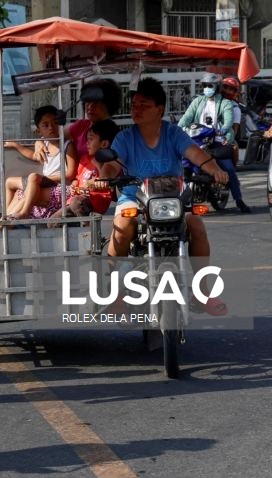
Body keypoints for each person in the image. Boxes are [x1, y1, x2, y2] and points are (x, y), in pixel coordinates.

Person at [101, 77, 229, 316]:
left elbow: (195, 154)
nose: (136, 109)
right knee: (122, 224)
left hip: (173, 201)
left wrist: (215, 170)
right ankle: (115, 291)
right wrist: (104, 175)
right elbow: (112, 163)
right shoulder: (125, 138)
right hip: (135, 199)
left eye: (144, 105)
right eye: (134, 104)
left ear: (159, 109)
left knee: (197, 225)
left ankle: (203, 292)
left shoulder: (174, 134)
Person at [177, 72, 250, 213]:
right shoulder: (198, 101)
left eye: (209, 85)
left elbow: (228, 122)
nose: (206, 88)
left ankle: (239, 200)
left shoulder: (226, 104)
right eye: (204, 85)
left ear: (216, 87)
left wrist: (221, 131)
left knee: (228, 169)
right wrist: (179, 129)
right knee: (180, 165)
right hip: (197, 140)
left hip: (217, 141)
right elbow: (185, 119)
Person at [0, 105, 78, 220]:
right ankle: (5, 216)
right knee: (9, 182)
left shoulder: (67, 145)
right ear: (38, 130)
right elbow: (33, 156)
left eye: (55, 123)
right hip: (44, 181)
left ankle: (24, 212)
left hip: (60, 185)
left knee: (33, 178)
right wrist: (17, 146)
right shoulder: (44, 144)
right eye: (45, 125)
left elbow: (70, 173)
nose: (51, 127)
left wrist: (46, 177)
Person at [50, 118, 120, 219]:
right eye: (87, 139)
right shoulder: (84, 159)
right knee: (53, 221)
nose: (87, 143)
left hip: (94, 202)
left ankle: (88, 229)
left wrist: (97, 172)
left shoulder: (108, 161)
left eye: (91, 139)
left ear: (104, 144)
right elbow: (77, 179)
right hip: (75, 201)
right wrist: (74, 186)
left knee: (77, 203)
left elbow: (105, 180)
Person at [66, 78, 122, 160]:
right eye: (87, 101)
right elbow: (56, 136)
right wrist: (41, 142)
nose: (90, 107)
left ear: (109, 104)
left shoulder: (115, 135)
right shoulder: (81, 126)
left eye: (96, 102)